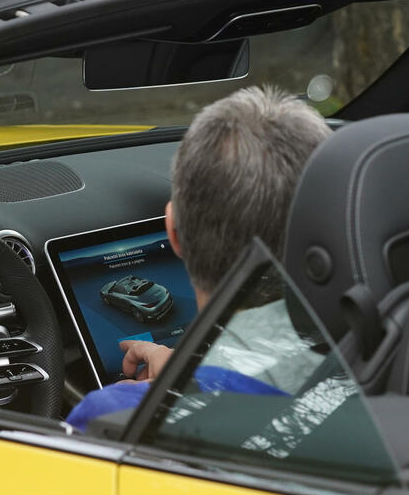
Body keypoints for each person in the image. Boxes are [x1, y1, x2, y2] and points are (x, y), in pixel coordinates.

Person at [67, 85, 332, 431]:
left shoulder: (113, 415)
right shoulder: (389, 352)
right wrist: (188, 374)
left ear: (173, 231)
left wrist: (174, 392)